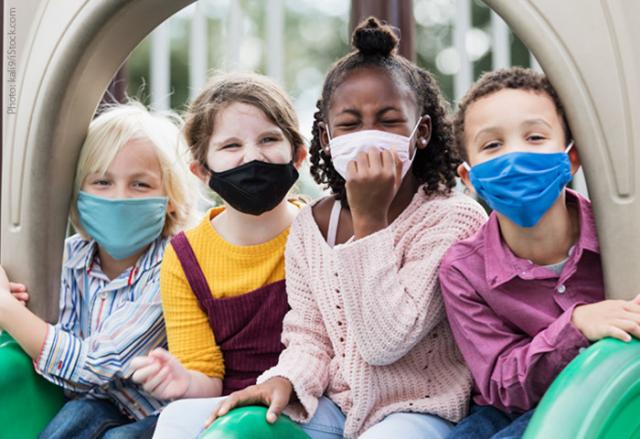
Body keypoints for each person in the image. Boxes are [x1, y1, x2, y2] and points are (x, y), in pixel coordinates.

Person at [160, 18, 487, 439]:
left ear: (420, 132)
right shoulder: (313, 225)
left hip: (418, 411)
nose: (368, 137)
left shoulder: (453, 219)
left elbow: (385, 342)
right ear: (326, 139)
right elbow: (308, 336)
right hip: (336, 406)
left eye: (388, 121)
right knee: (182, 422)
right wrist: (284, 380)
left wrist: (371, 222)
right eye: (350, 124)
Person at [439, 67, 640, 439]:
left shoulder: (624, 235)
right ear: (469, 178)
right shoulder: (463, 270)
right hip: (509, 413)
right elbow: (501, 385)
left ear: (572, 158)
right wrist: (576, 326)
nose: (515, 155)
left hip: (614, 394)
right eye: (492, 145)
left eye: (534, 137)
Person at [0, 102, 194, 438]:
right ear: (78, 195)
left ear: (170, 199)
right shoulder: (69, 258)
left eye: (140, 185)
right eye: (102, 182)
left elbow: (94, 366)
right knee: (77, 414)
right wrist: (15, 301)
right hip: (92, 404)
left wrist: (6, 309)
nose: (119, 198)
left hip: (156, 413)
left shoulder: (172, 266)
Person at [130, 73, 307, 434]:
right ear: (202, 171)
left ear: (299, 155)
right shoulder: (185, 257)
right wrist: (183, 381)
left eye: (269, 139)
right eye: (230, 146)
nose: (252, 157)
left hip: (308, 399)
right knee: (175, 420)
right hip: (226, 407)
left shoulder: (321, 229)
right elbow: (206, 378)